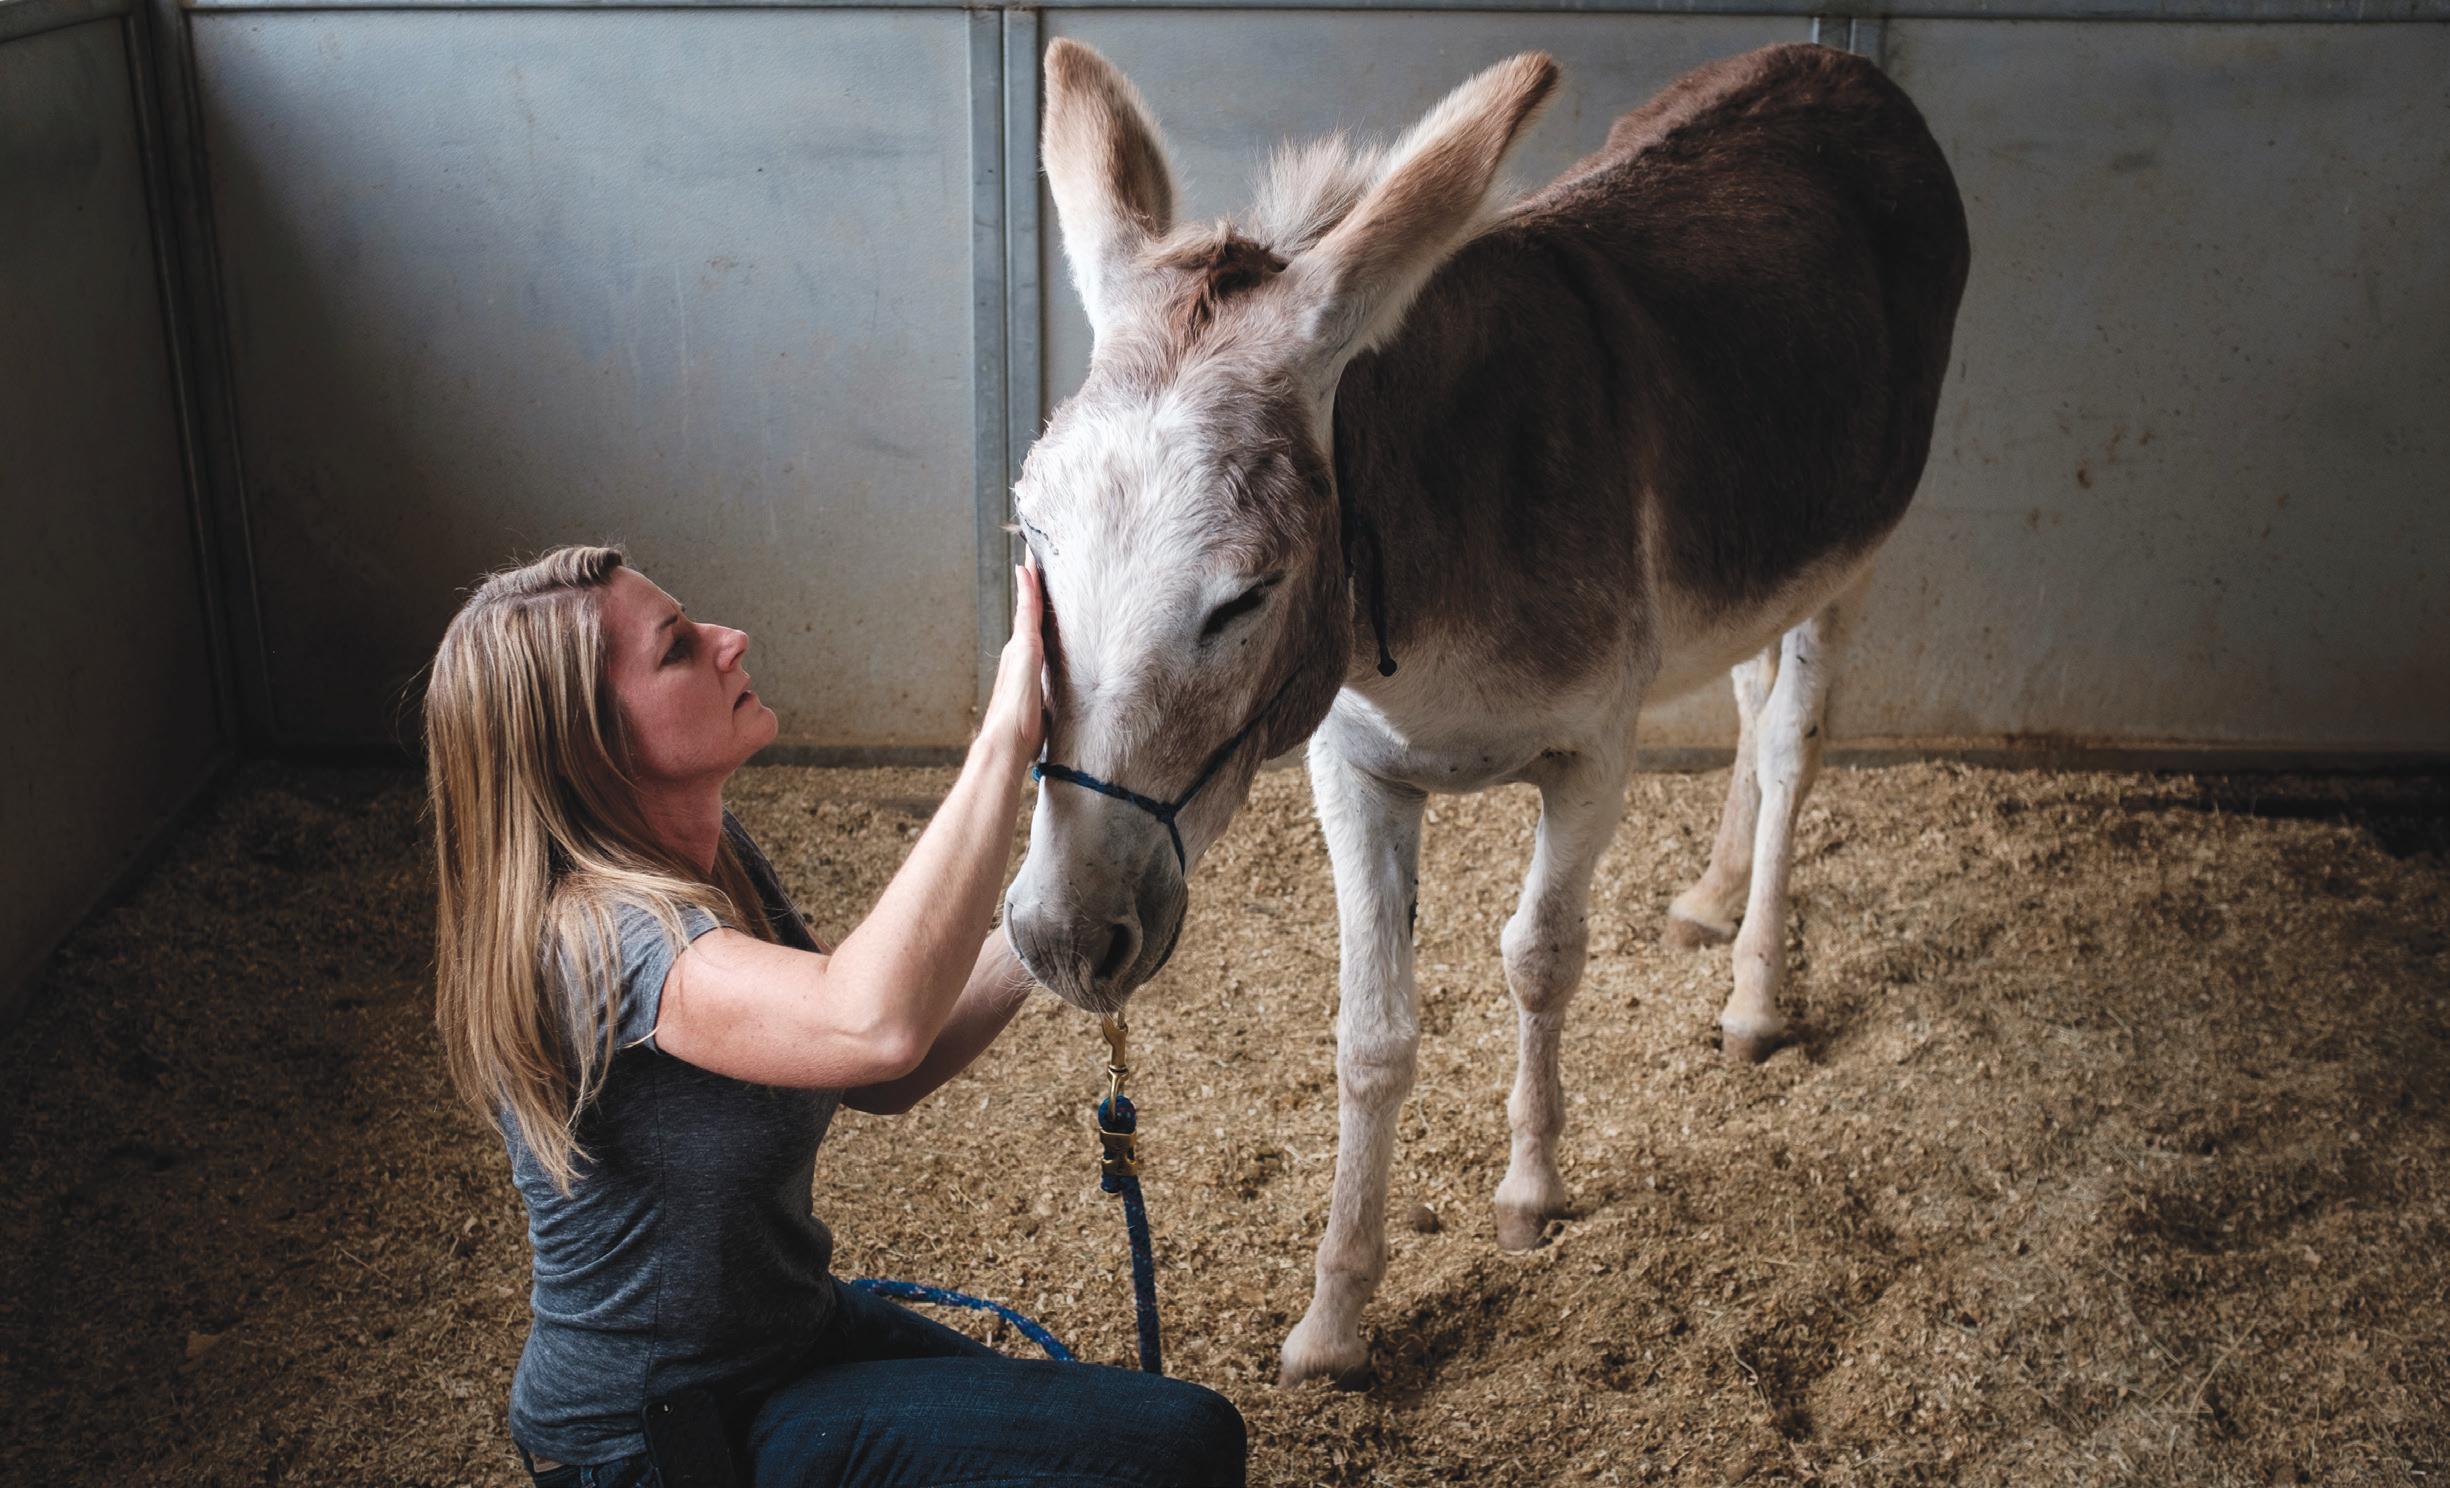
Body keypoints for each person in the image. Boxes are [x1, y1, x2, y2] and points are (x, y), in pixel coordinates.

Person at [424, 544, 1246, 1488]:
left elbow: (884, 1072)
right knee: (1181, 1445)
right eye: (678, 648)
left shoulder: (712, 853)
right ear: (589, 746)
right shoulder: (599, 937)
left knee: (1128, 1436)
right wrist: (1003, 738)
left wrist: (1060, 920)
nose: (732, 640)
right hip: (659, 1435)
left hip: (793, 1333)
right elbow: (872, 1023)